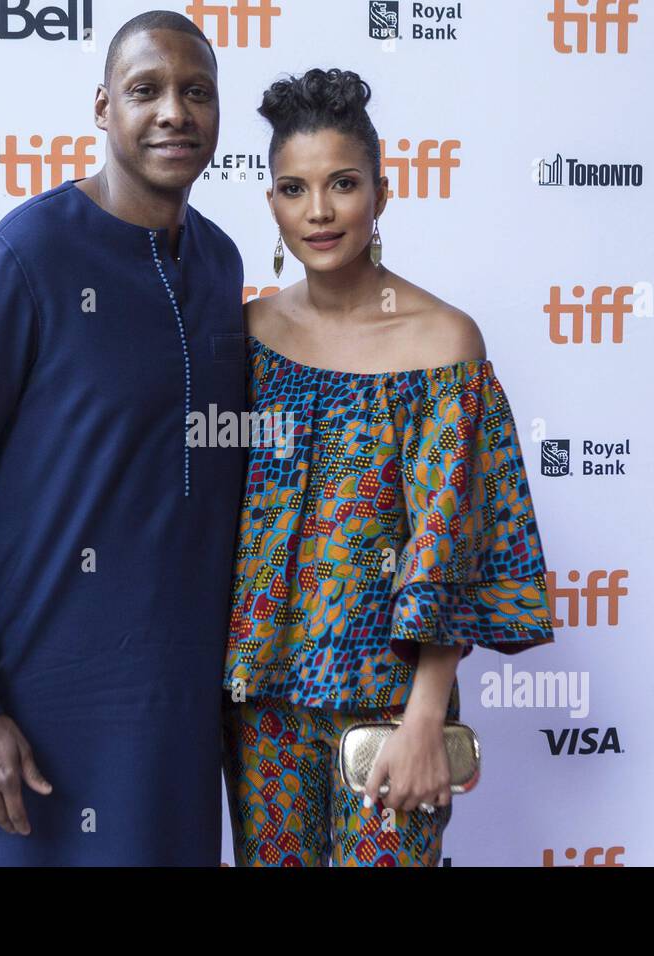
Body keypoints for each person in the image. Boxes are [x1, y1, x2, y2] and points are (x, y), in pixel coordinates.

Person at [0, 11, 246, 865]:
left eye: (196, 92)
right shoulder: (22, 260)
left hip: (177, 718)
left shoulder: (221, 263)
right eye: (146, 90)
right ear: (102, 108)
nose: (174, 111)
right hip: (36, 721)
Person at [222, 68, 556, 866]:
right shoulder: (244, 335)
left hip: (390, 701)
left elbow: (452, 539)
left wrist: (425, 718)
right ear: (271, 203)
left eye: (343, 184)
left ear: (383, 190)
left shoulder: (443, 342)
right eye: (294, 189)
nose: (320, 211)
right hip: (260, 696)